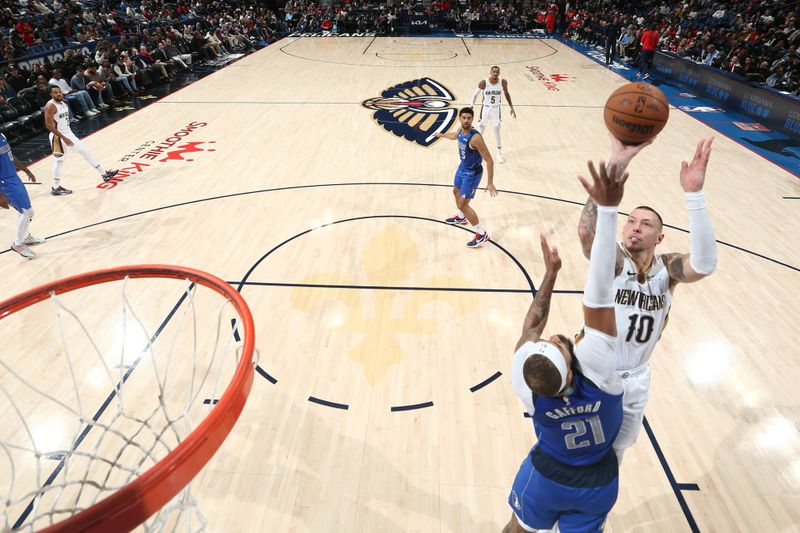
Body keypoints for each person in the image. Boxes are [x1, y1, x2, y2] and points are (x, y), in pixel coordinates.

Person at [577, 136, 718, 462]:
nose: (634, 228)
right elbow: (587, 234)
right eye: (630, 221)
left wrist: (694, 194)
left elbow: (705, 264)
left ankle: (598, 512)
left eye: (646, 223)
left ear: (660, 237)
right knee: (575, 454)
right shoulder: (614, 262)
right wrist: (617, 164)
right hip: (596, 371)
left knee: (614, 457)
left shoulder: (668, 270)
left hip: (636, 378)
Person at [505, 160, 628, 533]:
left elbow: (532, 326)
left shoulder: (530, 389)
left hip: (546, 478)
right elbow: (599, 292)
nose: (555, 336)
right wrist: (606, 209)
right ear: (573, 370)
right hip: (597, 484)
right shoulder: (603, 376)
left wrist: (549, 274)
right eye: (560, 344)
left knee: (515, 530)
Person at [434, 107, 497, 248]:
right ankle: (461, 218)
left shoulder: (476, 138)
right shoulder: (460, 130)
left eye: (469, 118)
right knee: (455, 192)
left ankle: (481, 234)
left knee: (463, 203)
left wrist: (490, 182)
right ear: (460, 118)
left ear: (472, 119)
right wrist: (441, 135)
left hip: (472, 173)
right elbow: (454, 136)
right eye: (464, 117)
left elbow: (489, 160)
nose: (466, 120)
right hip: (462, 167)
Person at [44, 85, 119, 196]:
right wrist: (64, 137)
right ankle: (56, 187)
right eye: (55, 92)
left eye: (59, 92)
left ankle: (104, 174)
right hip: (58, 137)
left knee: (85, 151)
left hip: (68, 133)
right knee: (59, 161)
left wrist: (68, 135)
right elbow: (49, 126)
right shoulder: (50, 106)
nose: (59, 94)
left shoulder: (63, 103)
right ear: (51, 94)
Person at [0, 133, 45, 258]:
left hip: (13, 177)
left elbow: (10, 155)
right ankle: (18, 244)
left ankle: (25, 237)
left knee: (24, 211)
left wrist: (26, 170)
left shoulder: (2, 135)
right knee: (28, 212)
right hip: (5, 183)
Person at [470, 65, 516, 164]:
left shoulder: (503, 82)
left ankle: (499, 153)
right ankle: (475, 152)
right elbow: (475, 95)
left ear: (499, 73)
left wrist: (511, 107)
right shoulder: (484, 83)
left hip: (496, 109)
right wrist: (471, 107)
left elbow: (507, 94)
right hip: (485, 108)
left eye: (497, 72)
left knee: (497, 132)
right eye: (493, 71)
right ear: (490, 72)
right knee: (480, 131)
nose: (495, 73)